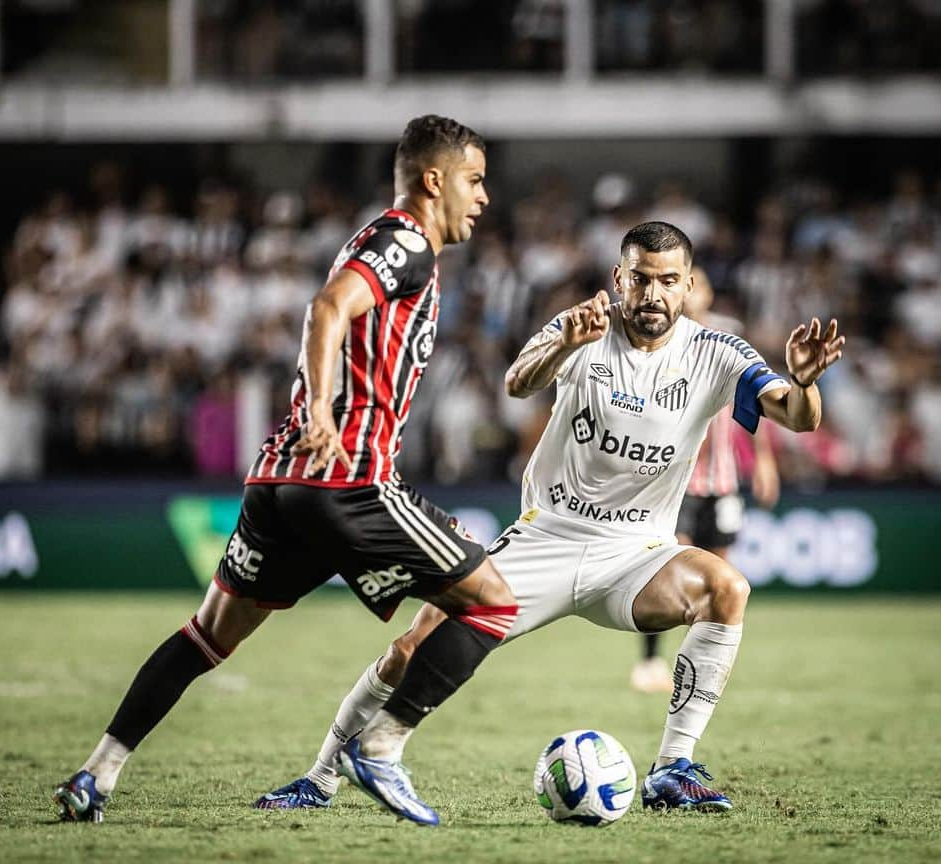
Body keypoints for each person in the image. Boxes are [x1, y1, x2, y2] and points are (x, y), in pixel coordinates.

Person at [258, 221, 845, 813]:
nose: (652, 294)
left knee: (726, 588)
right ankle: (321, 776)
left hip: (637, 554)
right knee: (413, 647)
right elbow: (518, 382)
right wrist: (564, 341)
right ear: (620, 278)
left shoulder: (716, 352)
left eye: (668, 281)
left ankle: (672, 769)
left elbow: (797, 417)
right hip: (549, 535)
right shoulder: (586, 326)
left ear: (688, 285)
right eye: (640, 279)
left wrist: (804, 381)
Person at [54, 115, 518, 828]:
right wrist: (326, 412)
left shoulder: (381, 240)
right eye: (475, 180)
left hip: (280, 481)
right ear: (434, 180)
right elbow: (328, 307)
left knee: (207, 635)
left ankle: (96, 774)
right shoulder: (406, 242)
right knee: (491, 601)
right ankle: (383, 746)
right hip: (349, 479)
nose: (484, 197)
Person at [630, 267, 780, 694]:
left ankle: (697, 665)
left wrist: (765, 460)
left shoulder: (729, 338)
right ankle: (651, 661)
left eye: (699, 284)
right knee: (667, 571)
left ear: (706, 292)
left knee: (719, 575)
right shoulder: (657, 340)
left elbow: (759, 399)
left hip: (723, 480)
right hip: (674, 482)